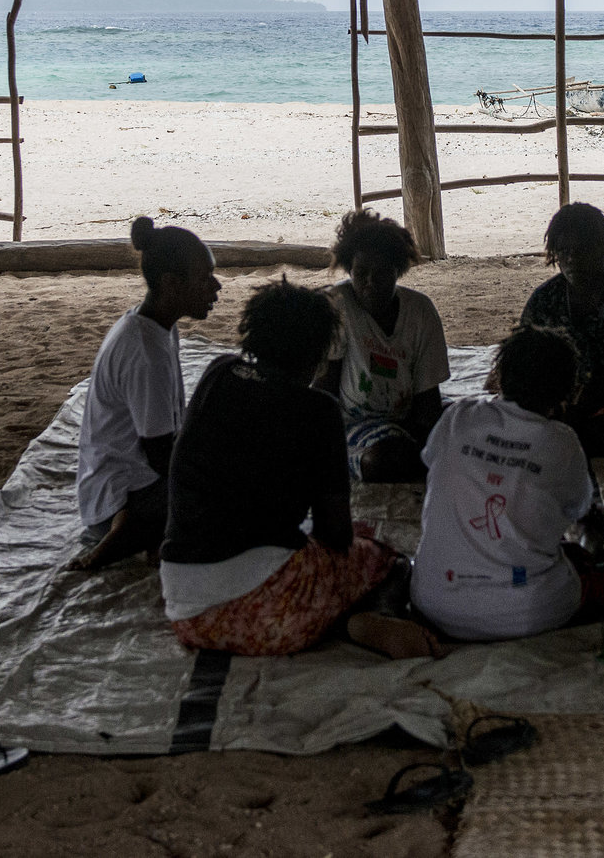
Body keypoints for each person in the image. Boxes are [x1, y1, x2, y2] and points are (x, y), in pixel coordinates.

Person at [159, 278, 439, 659]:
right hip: (278, 618)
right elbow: (335, 534)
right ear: (319, 353)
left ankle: (338, 620)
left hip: (188, 614)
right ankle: (369, 619)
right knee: (385, 561)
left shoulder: (217, 374)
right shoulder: (318, 411)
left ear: (251, 333)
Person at [411, 325, 604, 640]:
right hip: (527, 613)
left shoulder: (461, 415)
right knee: (596, 576)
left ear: (499, 376)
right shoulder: (562, 442)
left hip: (432, 603)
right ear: (570, 391)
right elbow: (578, 508)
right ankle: (584, 557)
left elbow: (432, 462)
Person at [74, 217, 217, 571]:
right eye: (204, 279)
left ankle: (149, 529)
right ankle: (132, 531)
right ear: (171, 284)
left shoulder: (155, 328)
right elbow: (160, 454)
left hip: (129, 483)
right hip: (118, 496)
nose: (216, 287)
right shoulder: (144, 352)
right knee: (228, 493)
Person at [514, 203, 604, 456]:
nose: (571, 259)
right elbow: (522, 363)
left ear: (603, 249)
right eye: (564, 250)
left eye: (581, 250)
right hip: (555, 402)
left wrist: (578, 405)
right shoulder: (545, 298)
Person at [319, 208, 450, 483]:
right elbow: (325, 390)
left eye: (381, 274)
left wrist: (428, 434)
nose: (370, 283)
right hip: (354, 422)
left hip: (407, 416)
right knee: (381, 460)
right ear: (349, 270)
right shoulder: (337, 305)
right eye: (361, 273)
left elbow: (428, 397)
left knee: (469, 423)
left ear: (397, 271)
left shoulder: (420, 311)